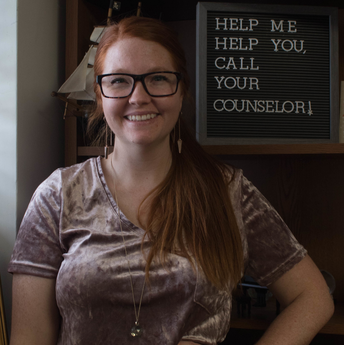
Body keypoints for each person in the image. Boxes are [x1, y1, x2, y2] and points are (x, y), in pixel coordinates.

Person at [8, 16, 333, 345]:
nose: (139, 96)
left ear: (182, 90)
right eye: (120, 81)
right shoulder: (58, 196)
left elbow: (313, 297)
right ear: (100, 94)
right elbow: (29, 336)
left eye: (158, 78)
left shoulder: (228, 192)